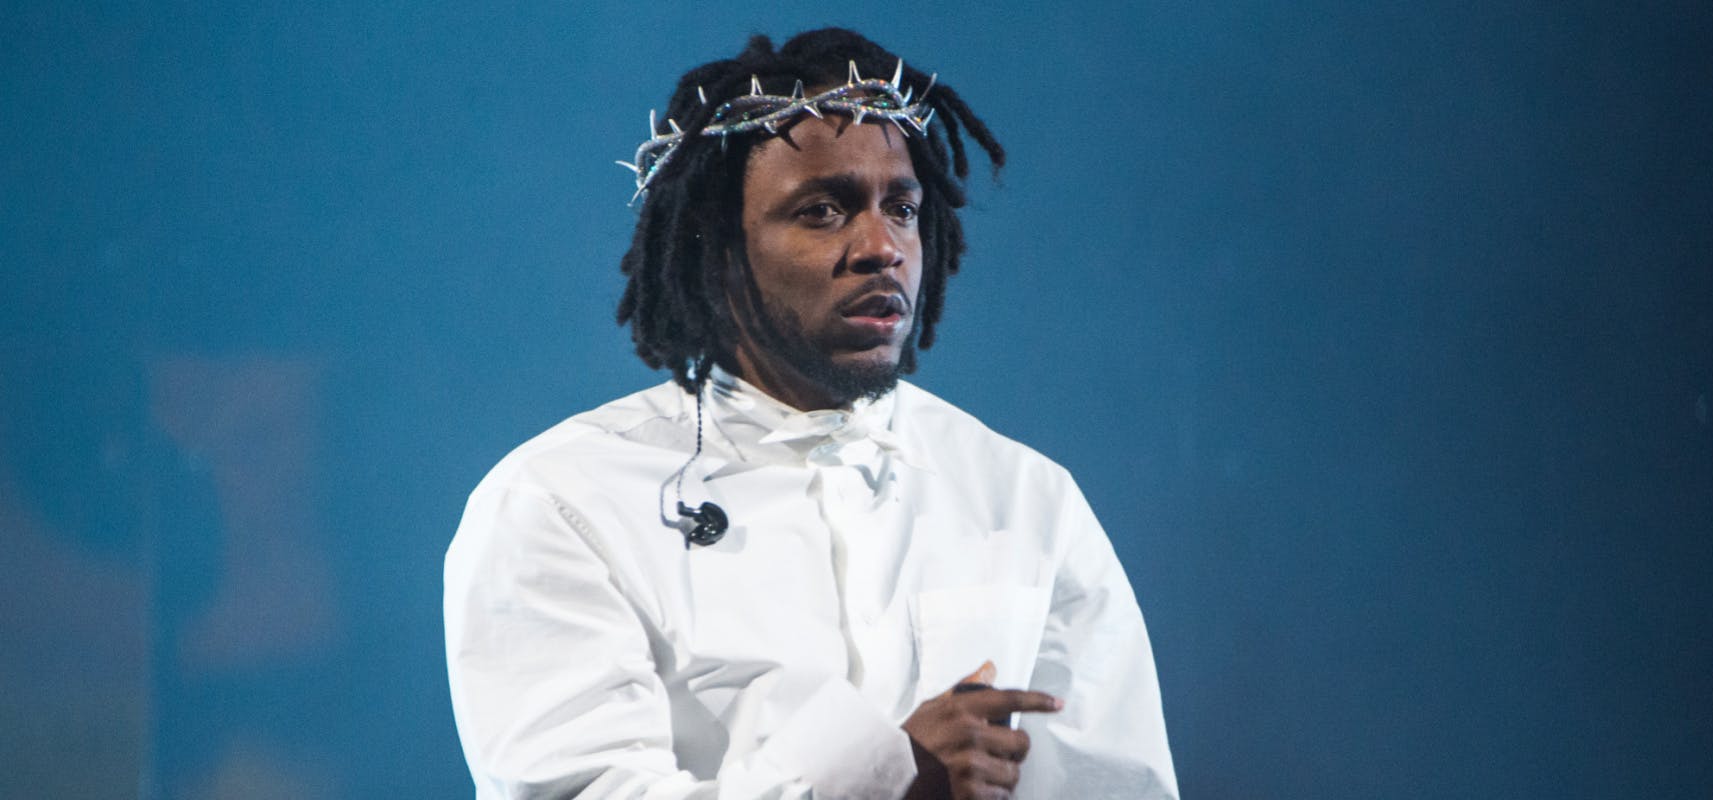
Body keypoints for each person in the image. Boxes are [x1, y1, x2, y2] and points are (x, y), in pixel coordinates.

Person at [444, 28, 1178, 800]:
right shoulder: (563, 502)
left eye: (901, 207)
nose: (881, 246)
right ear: (715, 249)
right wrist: (883, 774)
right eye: (823, 210)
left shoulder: (1026, 499)